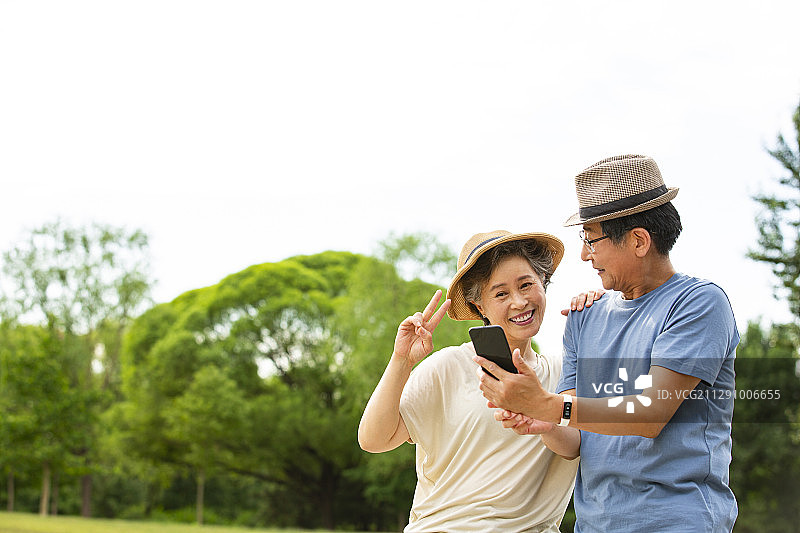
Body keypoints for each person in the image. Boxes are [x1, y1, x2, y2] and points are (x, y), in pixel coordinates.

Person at [475, 154, 739, 532]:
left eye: (591, 240)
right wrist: (544, 420)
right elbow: (575, 442)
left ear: (638, 240)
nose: (584, 255)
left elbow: (650, 414)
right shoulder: (584, 317)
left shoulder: (699, 304)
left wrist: (549, 404)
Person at [357, 230, 581, 532]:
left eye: (527, 285)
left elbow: (581, 444)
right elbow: (374, 439)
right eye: (500, 293)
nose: (519, 302)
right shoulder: (448, 366)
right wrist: (402, 361)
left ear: (543, 284)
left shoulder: (564, 374)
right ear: (479, 306)